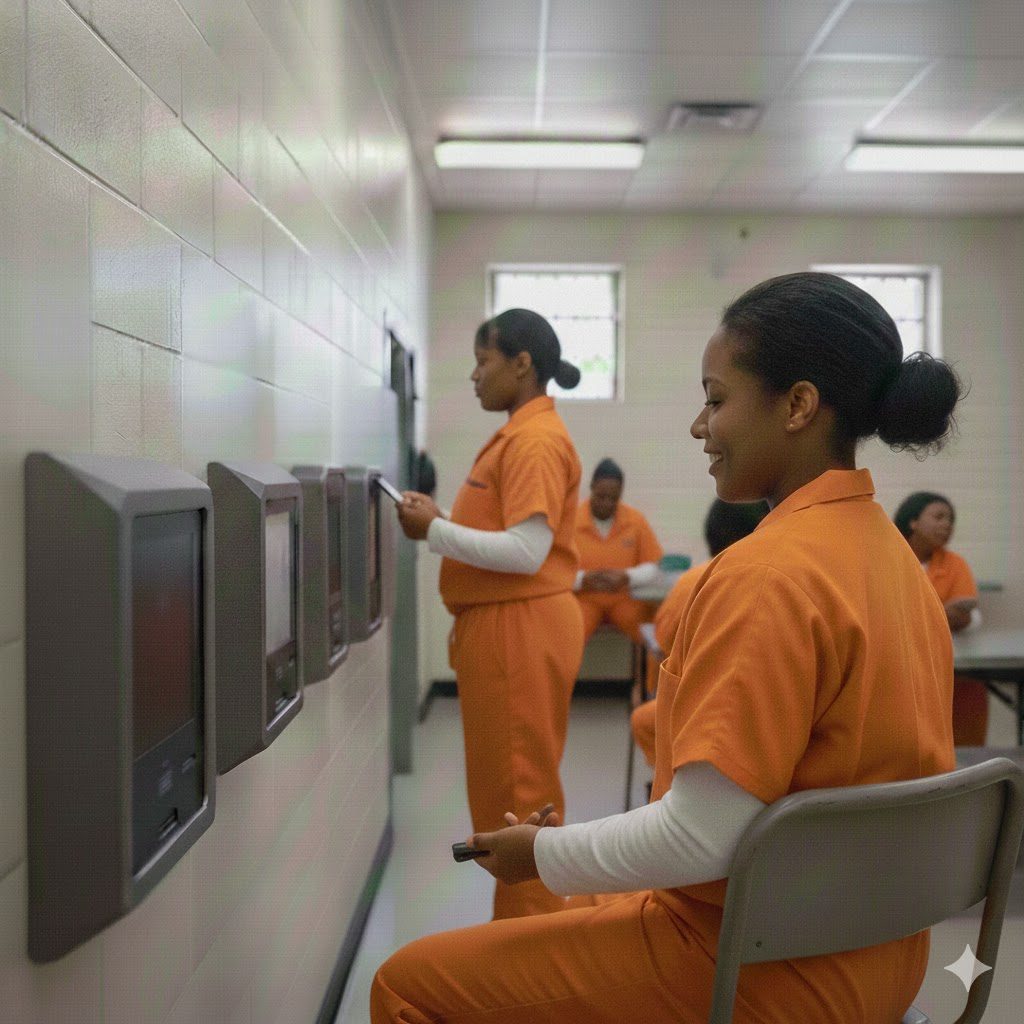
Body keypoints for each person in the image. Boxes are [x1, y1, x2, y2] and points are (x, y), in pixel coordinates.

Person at [372, 272, 962, 1024]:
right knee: (577, 903)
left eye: (716, 400)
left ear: (798, 406)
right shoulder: (894, 560)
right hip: (879, 949)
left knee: (405, 982)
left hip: (761, 963)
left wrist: (540, 855)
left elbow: (701, 838)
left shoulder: (767, 575)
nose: (698, 426)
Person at [395, 307, 585, 919]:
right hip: (509, 626)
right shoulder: (520, 435)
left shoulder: (533, 441)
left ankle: (531, 946)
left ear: (521, 364)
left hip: (518, 630)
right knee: (507, 793)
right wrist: (439, 522)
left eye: (483, 361)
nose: (475, 375)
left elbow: (527, 552)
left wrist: (434, 530)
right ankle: (524, 933)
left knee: (518, 800)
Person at [631, 499, 767, 768]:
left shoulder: (692, 583)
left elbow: (662, 648)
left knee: (644, 720)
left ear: (711, 534)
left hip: (701, 711)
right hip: (761, 713)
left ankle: (668, 784)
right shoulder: (780, 582)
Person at [894, 491, 987, 745]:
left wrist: (920, 616)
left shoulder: (955, 563)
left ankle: (964, 762)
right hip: (897, 664)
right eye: (939, 517)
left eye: (951, 520)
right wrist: (944, 613)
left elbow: (968, 617)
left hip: (946, 662)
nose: (947, 525)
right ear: (913, 520)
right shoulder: (886, 556)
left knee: (971, 691)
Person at [573, 459, 663, 643]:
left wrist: (627, 577)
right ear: (591, 488)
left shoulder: (635, 521)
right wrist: (582, 579)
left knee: (656, 633)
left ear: (621, 493)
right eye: (601, 496)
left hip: (624, 598)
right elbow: (555, 569)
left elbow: (655, 566)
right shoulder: (571, 521)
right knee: (568, 635)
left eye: (613, 498)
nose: (606, 503)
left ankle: (656, 663)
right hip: (584, 598)